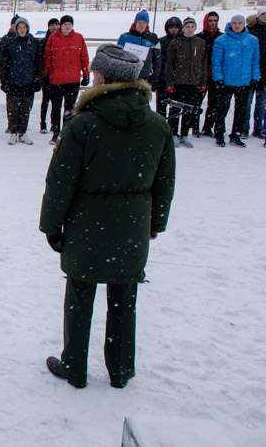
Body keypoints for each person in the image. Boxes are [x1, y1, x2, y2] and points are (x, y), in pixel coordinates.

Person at [40, 43, 175, 390]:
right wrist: (155, 224)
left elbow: (60, 181)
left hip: (88, 225)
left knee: (80, 299)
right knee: (124, 302)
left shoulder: (82, 124)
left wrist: (52, 226)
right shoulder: (157, 125)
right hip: (133, 226)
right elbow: (165, 181)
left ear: (101, 77)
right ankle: (120, 370)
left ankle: (74, 366)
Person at [210, 14, 260, 148]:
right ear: (231, 24)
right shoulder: (221, 40)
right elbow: (216, 62)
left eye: (240, 23)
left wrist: (255, 77)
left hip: (244, 81)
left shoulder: (252, 40)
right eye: (235, 23)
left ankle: (236, 134)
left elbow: (255, 61)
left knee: (241, 110)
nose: (237, 26)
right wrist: (218, 78)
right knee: (222, 109)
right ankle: (219, 133)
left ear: (244, 24)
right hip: (226, 81)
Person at [42, 15, 90, 144]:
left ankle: (67, 131)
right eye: (65, 24)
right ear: (61, 26)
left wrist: (86, 74)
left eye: (70, 24)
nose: (67, 26)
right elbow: (47, 57)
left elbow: (84, 57)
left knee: (70, 107)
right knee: (56, 107)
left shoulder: (78, 38)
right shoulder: (53, 38)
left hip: (73, 79)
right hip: (56, 79)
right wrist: (46, 75)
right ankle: (56, 132)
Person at [163, 17, 207, 147]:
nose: (190, 29)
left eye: (192, 27)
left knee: (189, 109)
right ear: (184, 28)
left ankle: (185, 134)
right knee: (175, 109)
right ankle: (173, 133)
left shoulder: (200, 43)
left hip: (194, 81)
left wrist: (203, 81)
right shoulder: (176, 43)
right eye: (187, 27)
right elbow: (170, 63)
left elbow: (203, 63)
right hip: (178, 81)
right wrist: (169, 82)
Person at [0, 16, 43, 145]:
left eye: (24, 27)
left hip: (28, 81)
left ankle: (22, 132)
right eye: (20, 27)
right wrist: (4, 81)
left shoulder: (34, 42)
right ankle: (13, 132)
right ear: (16, 29)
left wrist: (37, 80)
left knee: (25, 109)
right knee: (12, 109)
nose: (22, 30)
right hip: (13, 81)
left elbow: (38, 63)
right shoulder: (9, 42)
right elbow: (4, 63)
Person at [117, 10, 161, 87]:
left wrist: (156, 76)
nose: (141, 25)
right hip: (127, 76)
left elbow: (157, 59)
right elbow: (118, 56)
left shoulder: (153, 38)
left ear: (147, 24)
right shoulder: (124, 37)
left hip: (146, 77)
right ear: (135, 23)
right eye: (139, 22)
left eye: (144, 22)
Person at [196, 11, 223, 136]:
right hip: (201, 75)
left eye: (215, 20)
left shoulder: (221, 37)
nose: (212, 23)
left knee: (214, 102)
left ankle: (208, 126)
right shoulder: (199, 37)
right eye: (210, 20)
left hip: (215, 75)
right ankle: (194, 126)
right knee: (196, 102)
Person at [154, 17, 182, 121]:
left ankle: (172, 129)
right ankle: (160, 127)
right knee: (161, 107)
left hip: (177, 79)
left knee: (175, 107)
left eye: (176, 27)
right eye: (171, 27)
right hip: (162, 78)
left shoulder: (182, 42)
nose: (174, 29)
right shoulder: (161, 41)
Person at [245, 7, 266, 138]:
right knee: (246, 103)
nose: (265, 16)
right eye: (263, 14)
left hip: (264, 73)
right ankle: (243, 127)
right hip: (250, 71)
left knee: (261, 103)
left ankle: (258, 128)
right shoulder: (250, 30)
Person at [38, 18, 60, 134]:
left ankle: (53, 123)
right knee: (45, 100)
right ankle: (43, 123)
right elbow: (41, 59)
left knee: (55, 101)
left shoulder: (60, 40)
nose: (55, 27)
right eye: (53, 25)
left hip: (57, 76)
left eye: (57, 25)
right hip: (46, 76)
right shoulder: (43, 41)